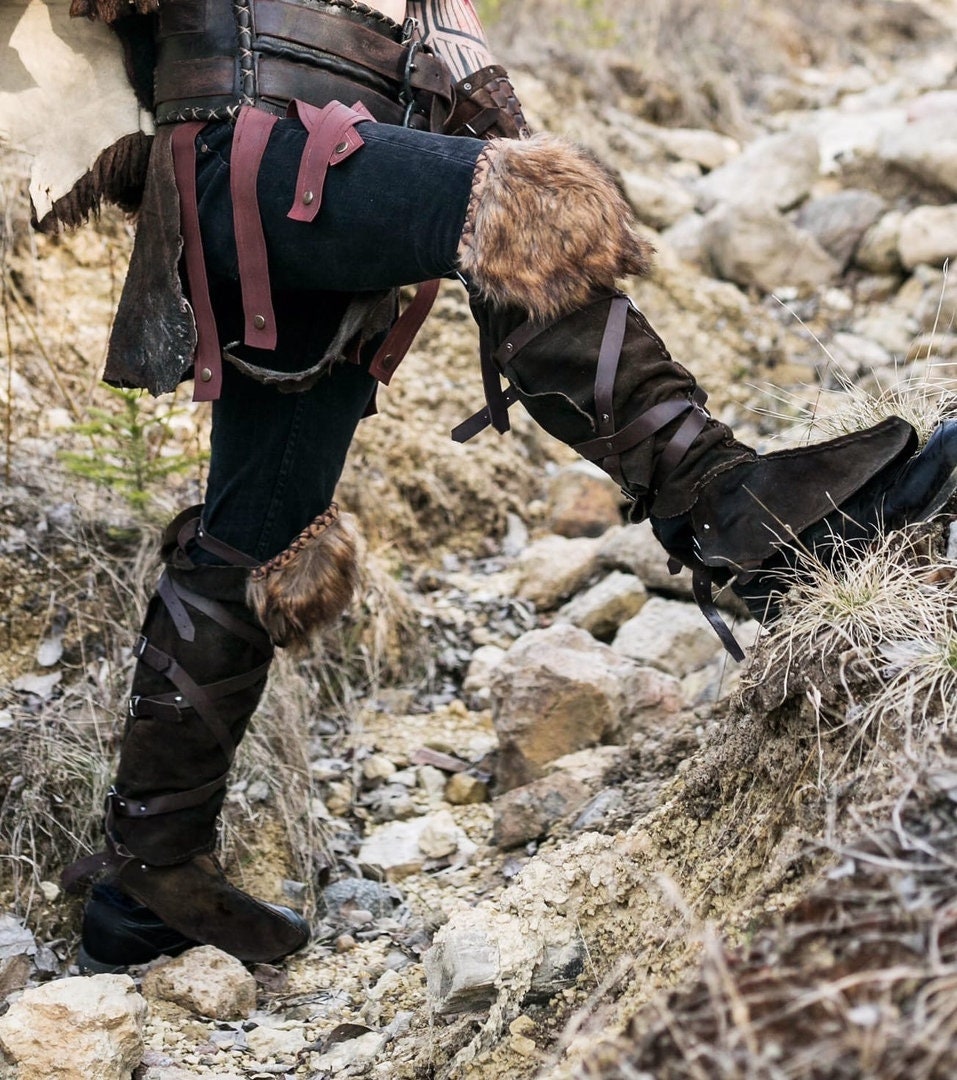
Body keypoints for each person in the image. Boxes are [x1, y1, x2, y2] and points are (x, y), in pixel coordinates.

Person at [41, 0, 957, 972]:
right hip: (253, 161)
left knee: (259, 539)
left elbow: (460, 87)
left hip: (325, 192)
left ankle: (147, 878)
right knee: (528, 202)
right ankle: (744, 514)